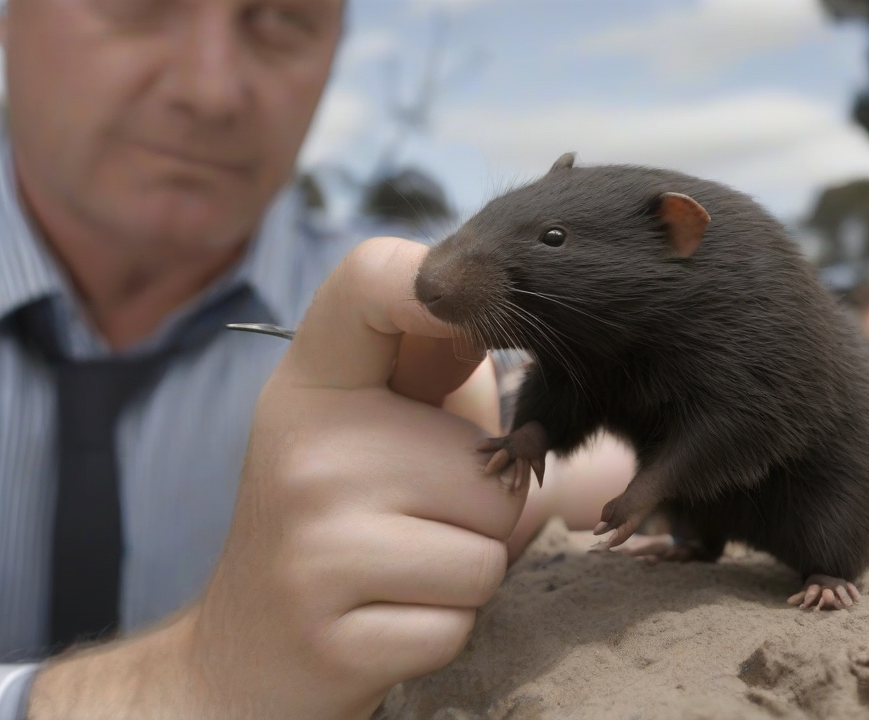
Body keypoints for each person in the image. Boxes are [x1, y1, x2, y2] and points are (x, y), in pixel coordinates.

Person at [0, 1, 631, 715]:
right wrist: (184, 680)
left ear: (335, 43)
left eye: (282, 17)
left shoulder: (394, 298)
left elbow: (625, 443)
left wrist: (497, 443)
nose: (212, 90)